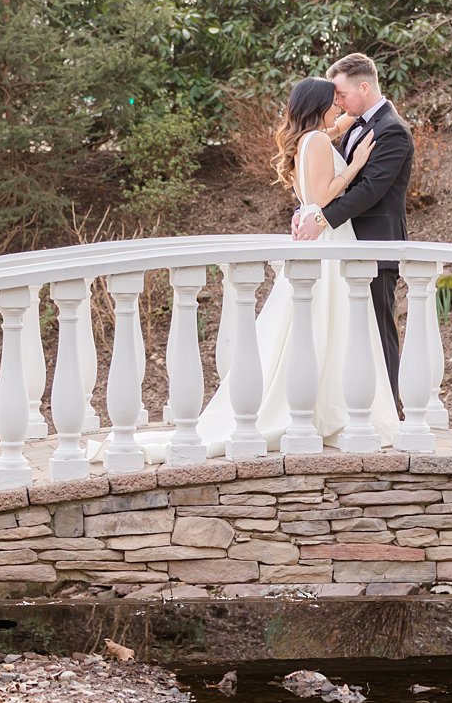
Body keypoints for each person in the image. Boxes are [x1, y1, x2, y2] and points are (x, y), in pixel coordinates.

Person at [123, 76, 400, 462]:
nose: (339, 105)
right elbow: (322, 195)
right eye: (333, 100)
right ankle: (324, 407)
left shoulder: (309, 138)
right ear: (319, 104)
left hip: (316, 232)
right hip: (329, 236)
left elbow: (327, 146)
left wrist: (358, 119)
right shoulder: (317, 141)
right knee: (327, 320)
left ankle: (323, 403)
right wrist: (354, 166)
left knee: (319, 322)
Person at [293, 53, 414, 408]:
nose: (338, 101)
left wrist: (321, 219)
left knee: (378, 332)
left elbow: (370, 190)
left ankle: (391, 409)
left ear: (364, 86)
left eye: (342, 94)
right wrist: (307, 210)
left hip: (375, 247)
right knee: (342, 333)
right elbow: (322, 181)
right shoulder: (346, 128)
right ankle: (348, 406)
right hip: (342, 243)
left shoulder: (392, 130)